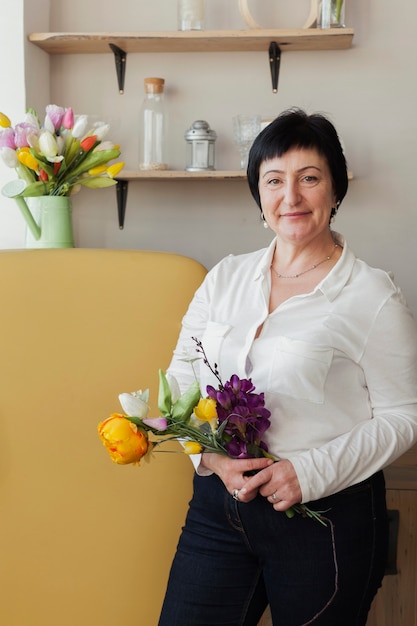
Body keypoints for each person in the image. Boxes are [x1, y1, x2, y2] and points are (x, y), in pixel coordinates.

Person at [158, 108, 417, 626]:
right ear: (259, 195)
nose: (291, 197)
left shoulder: (372, 295)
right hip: (219, 505)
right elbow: (180, 380)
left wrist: (308, 473)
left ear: (336, 190)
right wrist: (209, 459)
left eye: (309, 178)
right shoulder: (225, 278)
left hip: (323, 521)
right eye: (273, 180)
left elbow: (403, 415)